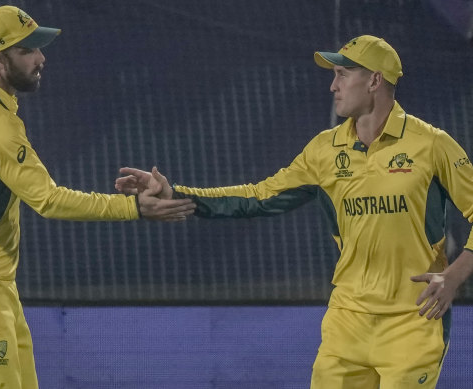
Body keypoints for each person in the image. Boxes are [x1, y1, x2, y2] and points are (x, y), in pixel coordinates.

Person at [116, 35, 473, 388]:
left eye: (342, 74)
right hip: (347, 322)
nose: (333, 86)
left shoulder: (431, 144)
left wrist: (454, 276)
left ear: (375, 80)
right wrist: (175, 192)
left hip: (414, 319)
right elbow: (258, 196)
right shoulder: (323, 149)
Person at [0, 5, 195, 388]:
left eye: (38, 48)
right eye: (26, 51)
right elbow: (49, 200)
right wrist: (134, 207)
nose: (41, 58)